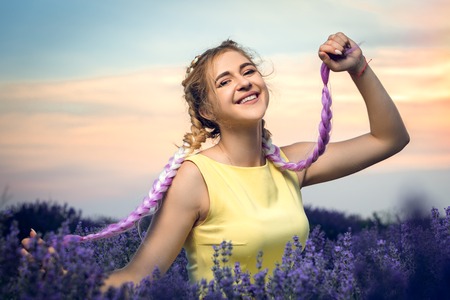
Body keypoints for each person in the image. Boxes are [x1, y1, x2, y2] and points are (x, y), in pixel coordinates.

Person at [22, 32, 409, 290]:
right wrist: (66, 275)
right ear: (206, 110)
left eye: (248, 71)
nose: (243, 82)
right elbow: (138, 278)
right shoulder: (195, 178)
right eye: (224, 81)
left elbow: (389, 139)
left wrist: (358, 67)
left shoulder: (292, 163)